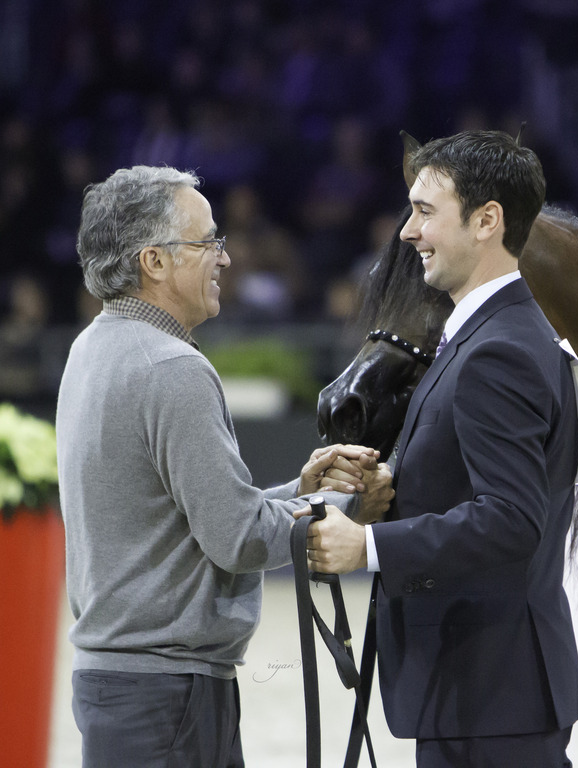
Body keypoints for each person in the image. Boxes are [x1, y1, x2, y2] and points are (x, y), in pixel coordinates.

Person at [56, 165, 394, 768]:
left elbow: (187, 515)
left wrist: (301, 489)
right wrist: (349, 508)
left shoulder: (94, 346)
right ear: (153, 261)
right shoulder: (172, 368)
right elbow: (238, 538)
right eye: (208, 240)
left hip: (121, 684)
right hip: (169, 694)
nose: (225, 257)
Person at [303, 131, 578, 767]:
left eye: (425, 212)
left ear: (488, 221)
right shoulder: (483, 338)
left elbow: (511, 519)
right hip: (482, 692)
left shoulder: (499, 351)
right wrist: (388, 502)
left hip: (491, 694)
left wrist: (367, 546)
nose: (407, 232)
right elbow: (471, 490)